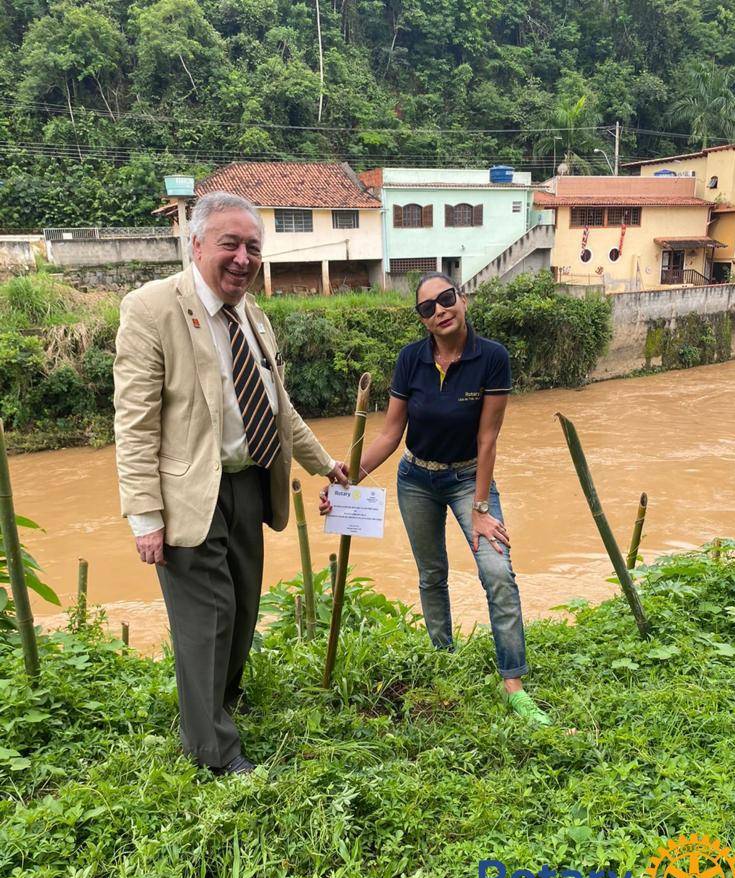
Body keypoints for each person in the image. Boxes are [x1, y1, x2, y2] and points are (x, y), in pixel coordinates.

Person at [114, 191, 348, 776]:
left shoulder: (252, 315)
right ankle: (214, 753)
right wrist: (145, 516)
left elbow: (277, 406)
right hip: (189, 493)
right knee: (208, 618)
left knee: (242, 610)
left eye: (253, 247)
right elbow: (135, 422)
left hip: (249, 484)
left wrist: (325, 465)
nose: (244, 258)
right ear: (195, 245)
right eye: (230, 244)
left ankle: (217, 703)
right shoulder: (151, 308)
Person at [321, 272, 556, 726]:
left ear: (462, 299)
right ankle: (442, 657)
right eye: (427, 307)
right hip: (417, 479)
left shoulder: (492, 358)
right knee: (432, 575)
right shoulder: (411, 359)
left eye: (446, 299)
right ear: (423, 320)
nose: (439, 310)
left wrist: (482, 509)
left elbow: (487, 439)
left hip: (470, 479)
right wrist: (346, 479)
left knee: (497, 572)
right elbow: (391, 434)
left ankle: (514, 685)